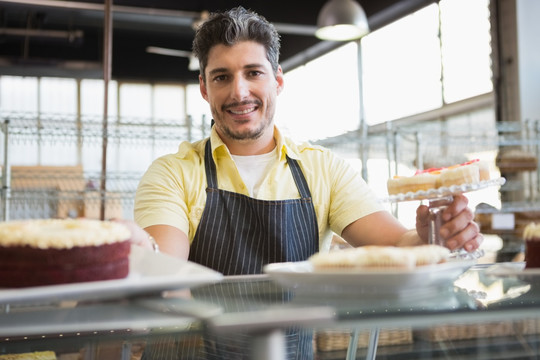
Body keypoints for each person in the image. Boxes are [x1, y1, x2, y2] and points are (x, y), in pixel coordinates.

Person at [133, 6, 482, 359]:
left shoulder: (323, 169)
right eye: (222, 77)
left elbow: (397, 245)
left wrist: (430, 236)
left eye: (253, 72)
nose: (239, 92)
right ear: (205, 88)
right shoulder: (173, 172)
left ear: (278, 80)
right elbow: (166, 269)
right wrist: (137, 253)